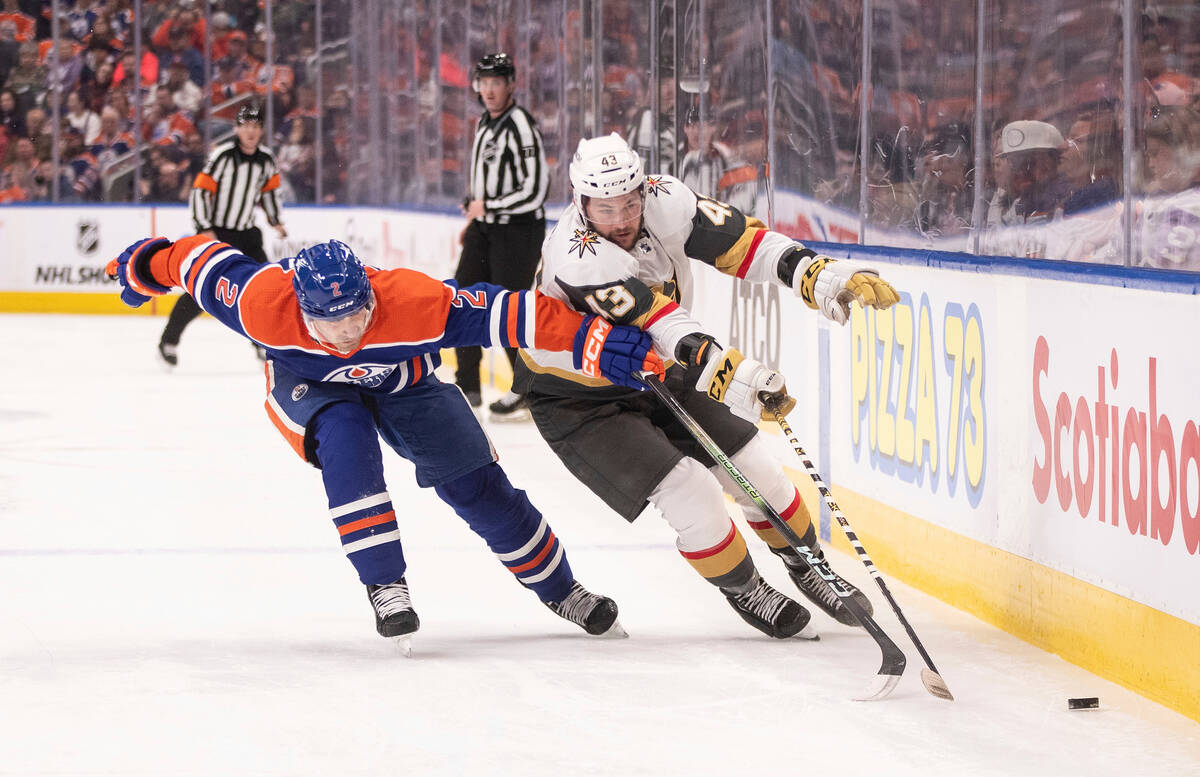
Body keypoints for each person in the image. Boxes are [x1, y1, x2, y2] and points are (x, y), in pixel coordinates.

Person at [107, 234, 665, 649]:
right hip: (314, 388)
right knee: (348, 446)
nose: (350, 330)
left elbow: (510, 313)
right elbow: (195, 261)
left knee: (476, 484)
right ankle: (385, 585)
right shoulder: (258, 303)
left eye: (358, 312)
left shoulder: (412, 302)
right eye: (333, 321)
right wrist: (143, 263)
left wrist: (594, 339)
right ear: (300, 309)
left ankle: (561, 588)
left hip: (405, 380)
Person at [515, 133, 900, 639]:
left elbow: (743, 243)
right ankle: (745, 589)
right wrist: (735, 375)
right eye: (605, 209)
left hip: (654, 368)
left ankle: (809, 566)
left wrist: (815, 274)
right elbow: (659, 322)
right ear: (581, 203)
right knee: (690, 490)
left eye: (629, 201)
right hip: (578, 397)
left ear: (641, 187)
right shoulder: (577, 257)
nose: (623, 219)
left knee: (756, 467)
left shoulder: (664, 199)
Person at [452, 52, 549, 420]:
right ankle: (468, 386)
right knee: (461, 298)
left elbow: (536, 189)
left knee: (509, 309)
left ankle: (528, 388)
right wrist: (475, 210)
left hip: (518, 231)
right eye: (484, 83)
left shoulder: (521, 125)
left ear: (511, 85)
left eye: (497, 82)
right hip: (486, 227)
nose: (489, 90)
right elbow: (484, 179)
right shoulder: (484, 122)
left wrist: (487, 206)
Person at [158, 102, 286, 367]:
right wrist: (204, 227)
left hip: (248, 234)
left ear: (261, 130)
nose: (251, 131)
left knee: (265, 290)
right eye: (246, 126)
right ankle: (168, 341)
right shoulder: (223, 156)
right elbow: (200, 192)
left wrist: (275, 221)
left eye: (256, 126)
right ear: (237, 129)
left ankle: (263, 344)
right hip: (219, 233)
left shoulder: (265, 160)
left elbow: (270, 192)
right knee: (200, 289)